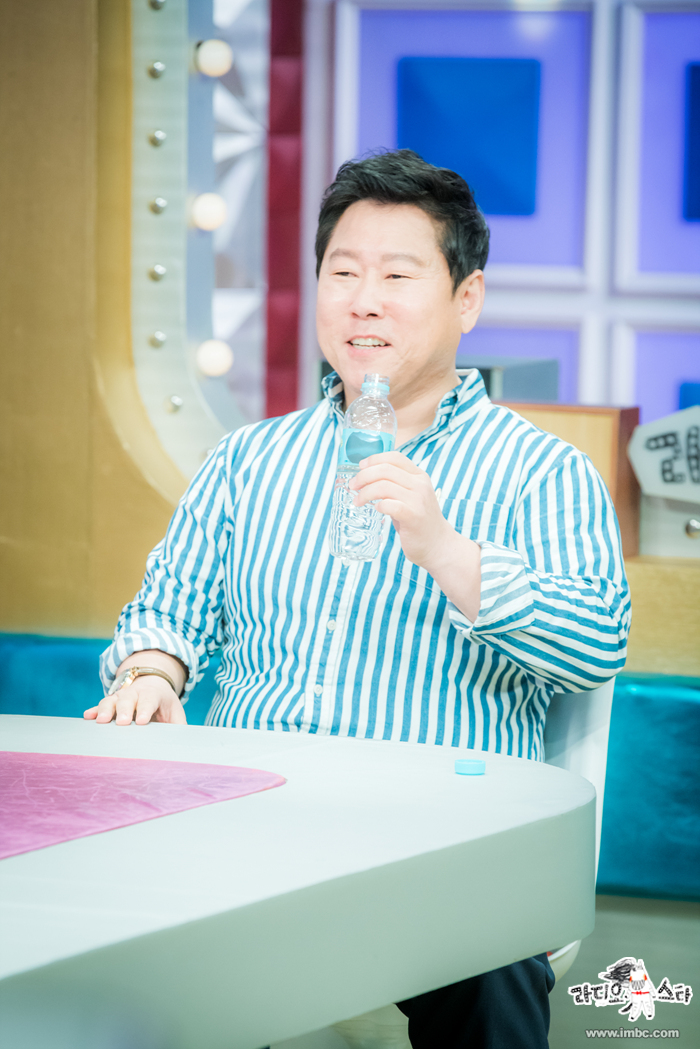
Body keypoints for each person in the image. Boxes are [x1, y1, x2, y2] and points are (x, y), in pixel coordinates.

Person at [85, 150, 630, 1048]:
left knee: (492, 961)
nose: (363, 301)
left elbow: (596, 644)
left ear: (467, 299)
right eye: (342, 273)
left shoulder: (543, 471)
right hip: (249, 820)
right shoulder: (249, 459)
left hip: (445, 839)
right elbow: (166, 607)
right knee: (118, 941)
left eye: (397, 276)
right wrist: (152, 668)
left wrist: (449, 552)